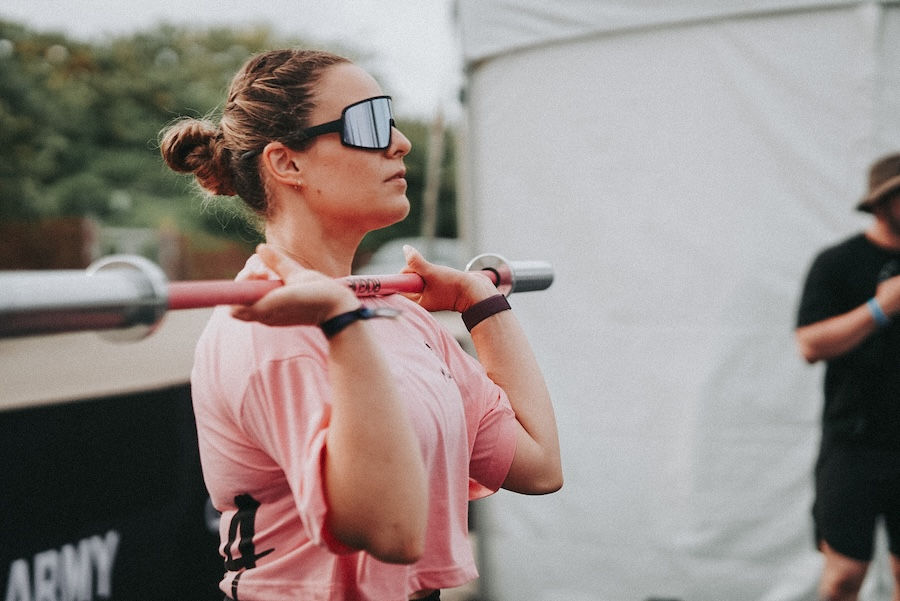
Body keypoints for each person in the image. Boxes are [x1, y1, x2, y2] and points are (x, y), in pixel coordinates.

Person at [159, 48, 562, 601]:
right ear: (287, 163)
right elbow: (390, 533)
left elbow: (539, 466)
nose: (400, 143)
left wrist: (481, 302)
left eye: (391, 119)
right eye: (370, 122)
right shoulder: (271, 333)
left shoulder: (395, 320)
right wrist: (344, 323)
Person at [795, 152, 900, 601]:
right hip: (853, 443)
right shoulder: (838, 263)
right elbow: (809, 345)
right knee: (843, 577)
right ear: (883, 202)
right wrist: (881, 308)